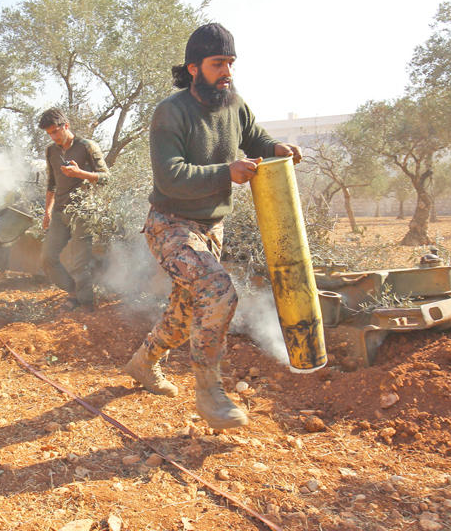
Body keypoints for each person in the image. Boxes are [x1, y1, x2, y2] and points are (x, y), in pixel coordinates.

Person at [123, 23, 302, 429]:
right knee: (218, 291)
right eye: (218, 63)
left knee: (186, 312)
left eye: (231, 63)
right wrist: (227, 172)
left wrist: (276, 148)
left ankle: (143, 363)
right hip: (170, 225)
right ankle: (209, 391)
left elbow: (254, 138)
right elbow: (170, 176)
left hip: (210, 228)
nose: (227, 72)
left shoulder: (234, 105)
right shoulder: (171, 111)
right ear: (193, 68)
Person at [39, 108, 110, 309]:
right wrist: (47, 211)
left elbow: (106, 178)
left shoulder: (87, 146)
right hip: (60, 212)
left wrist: (80, 173)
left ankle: (87, 306)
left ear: (66, 126)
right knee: (47, 258)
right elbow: (51, 183)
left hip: (83, 211)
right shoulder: (51, 151)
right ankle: (73, 292)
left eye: (55, 131)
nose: (53, 137)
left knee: (80, 262)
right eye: (49, 133)